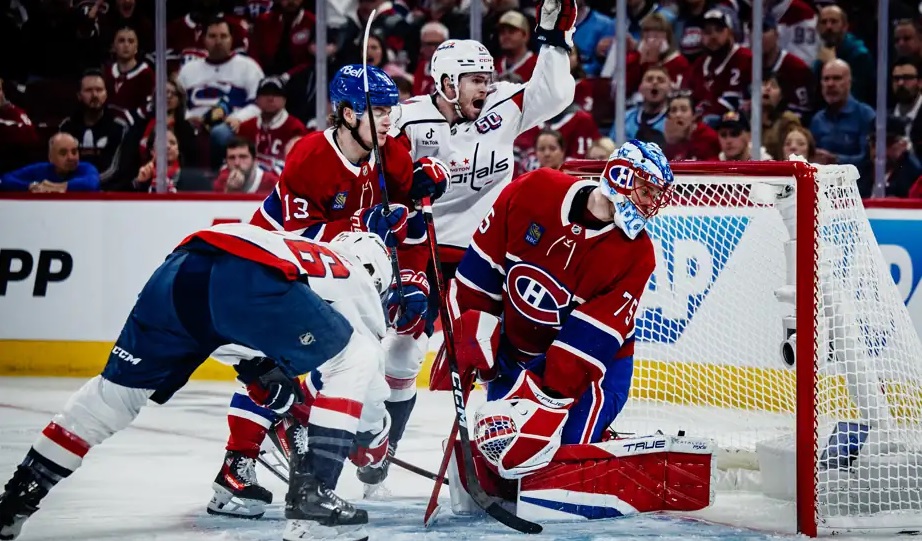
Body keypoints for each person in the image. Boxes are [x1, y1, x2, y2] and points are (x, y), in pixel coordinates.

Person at [0, 223, 395, 541]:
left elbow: (238, 329)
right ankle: (313, 498)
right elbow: (369, 390)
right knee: (357, 356)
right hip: (245, 279)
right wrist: (374, 450)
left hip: (180, 269)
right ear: (378, 275)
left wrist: (262, 377)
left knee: (110, 400)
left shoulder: (303, 248)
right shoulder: (359, 281)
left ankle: (14, 501)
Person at [209, 63, 449, 515]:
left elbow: (412, 228)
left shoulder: (392, 155)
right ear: (347, 113)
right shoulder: (310, 157)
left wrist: (415, 277)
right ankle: (242, 462)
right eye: (378, 110)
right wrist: (364, 223)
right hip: (275, 270)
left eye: (390, 110)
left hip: (340, 278)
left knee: (339, 364)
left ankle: (290, 435)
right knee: (277, 367)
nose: (389, 119)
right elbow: (300, 242)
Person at [431, 140, 710, 518]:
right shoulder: (534, 191)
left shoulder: (637, 254)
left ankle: (598, 444)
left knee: (558, 457)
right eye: (646, 192)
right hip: (516, 353)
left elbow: (586, 344)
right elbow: (480, 271)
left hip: (594, 372)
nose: (651, 205)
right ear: (620, 177)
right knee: (500, 455)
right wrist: (471, 333)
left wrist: (541, 400)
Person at [384, 0, 578, 485]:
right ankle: (384, 442)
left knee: (504, 347)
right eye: (474, 79)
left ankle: (504, 450)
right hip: (425, 248)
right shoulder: (406, 121)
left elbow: (555, 94)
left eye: (487, 78)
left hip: (489, 254)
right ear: (447, 83)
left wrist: (553, 39)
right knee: (403, 346)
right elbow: (377, 177)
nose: (485, 87)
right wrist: (405, 184)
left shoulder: (501, 106)